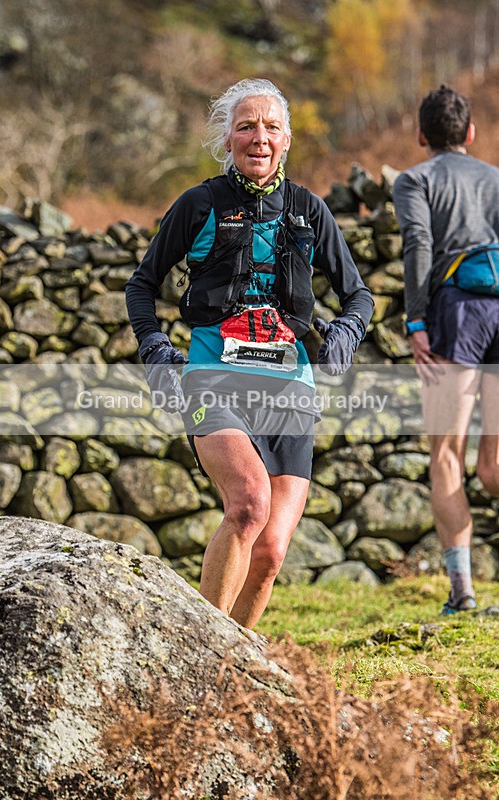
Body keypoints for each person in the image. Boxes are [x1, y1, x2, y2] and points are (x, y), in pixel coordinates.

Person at [126, 78, 373, 629]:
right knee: (248, 505)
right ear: (228, 139)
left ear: (286, 140)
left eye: (271, 127)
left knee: (271, 551)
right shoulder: (198, 204)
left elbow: (359, 294)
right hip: (213, 375)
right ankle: (197, 653)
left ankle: (229, 671)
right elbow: (141, 285)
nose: (258, 138)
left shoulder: (309, 210)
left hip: (291, 388)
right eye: (245, 126)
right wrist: (156, 347)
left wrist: (344, 334)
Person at [393, 85, 499, 615]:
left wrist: (416, 320)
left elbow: (418, 245)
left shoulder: (416, 180)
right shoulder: (496, 179)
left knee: (447, 456)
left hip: (455, 314)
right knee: (495, 467)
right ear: (471, 134)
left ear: (421, 135)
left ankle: (462, 592)